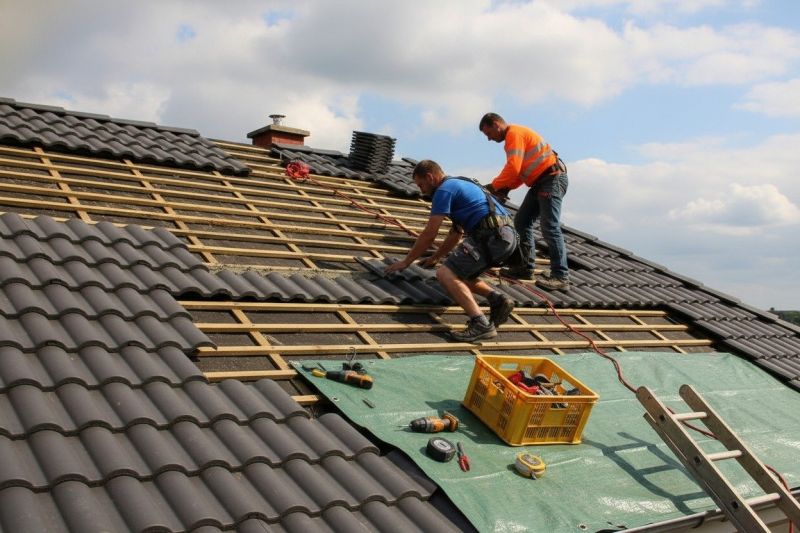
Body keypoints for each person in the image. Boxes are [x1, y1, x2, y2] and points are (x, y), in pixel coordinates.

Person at [385, 160, 517, 342]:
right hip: (506, 237)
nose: (421, 191)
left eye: (421, 185)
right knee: (461, 274)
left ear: (430, 177)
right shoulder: (460, 184)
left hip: (491, 236)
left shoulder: (444, 190)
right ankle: (497, 299)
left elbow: (430, 234)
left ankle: (480, 323)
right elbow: (456, 233)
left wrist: (406, 262)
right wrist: (436, 257)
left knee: (445, 274)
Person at [479, 112, 570, 291]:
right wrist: (505, 188)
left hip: (551, 179)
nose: (489, 139)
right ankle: (525, 268)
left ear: (496, 124)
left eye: (488, 133)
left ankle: (561, 276)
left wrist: (493, 186)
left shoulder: (514, 134)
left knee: (550, 227)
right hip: (541, 182)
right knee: (521, 222)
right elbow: (520, 173)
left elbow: (513, 168)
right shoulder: (515, 136)